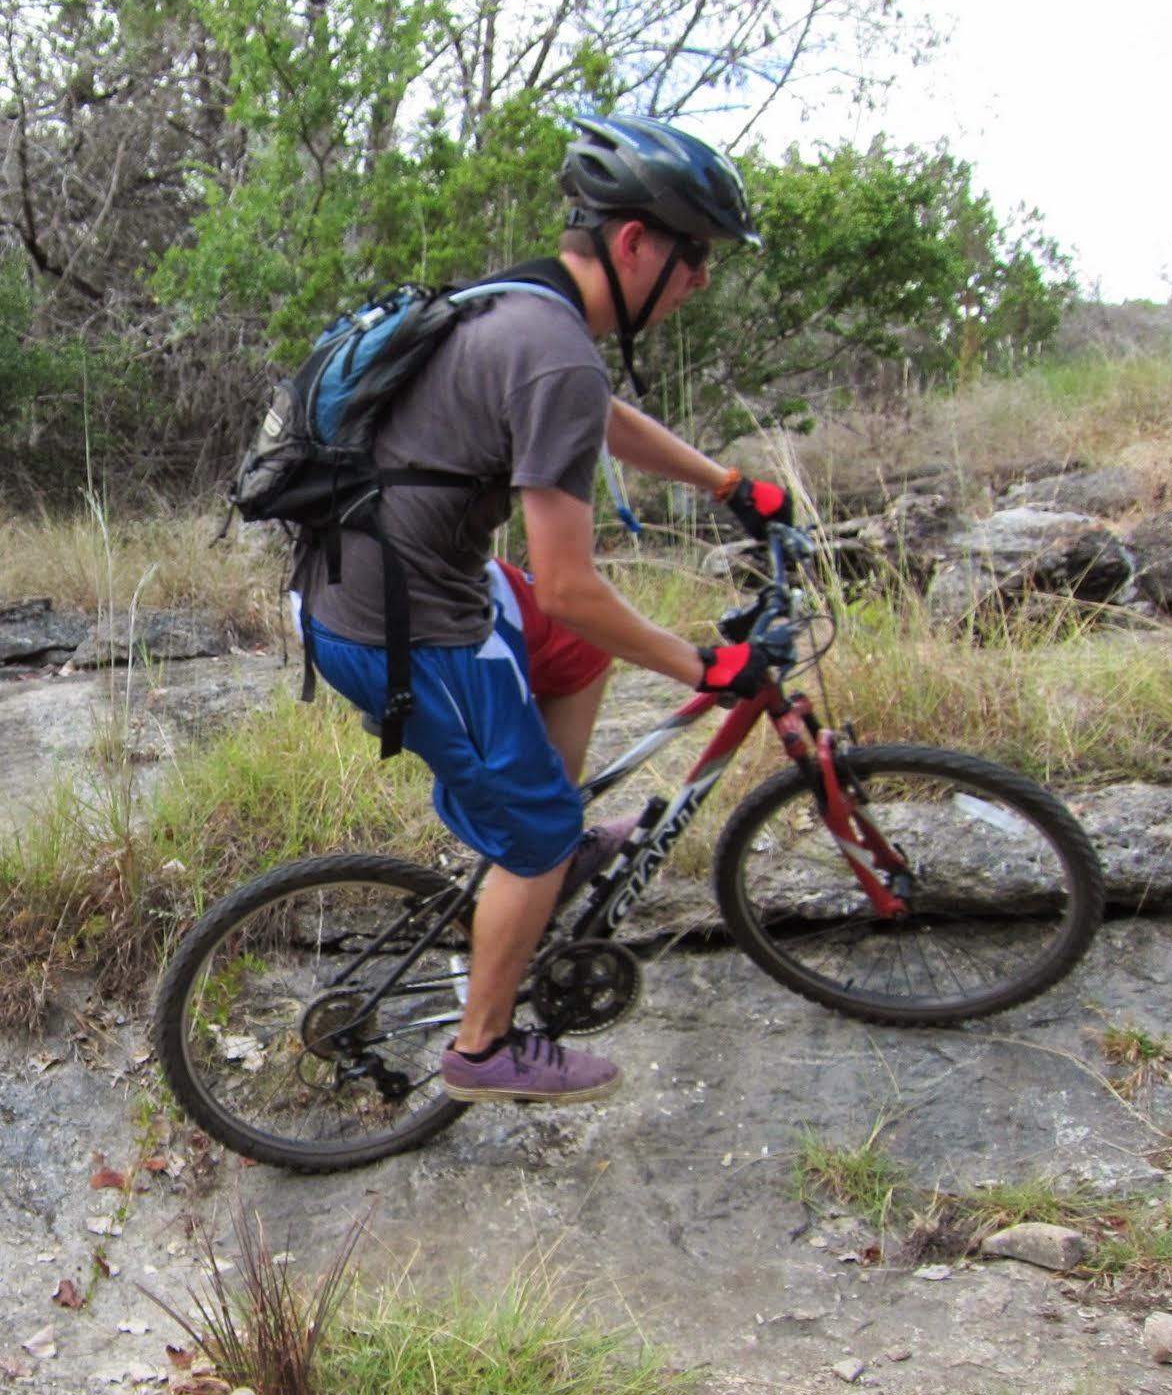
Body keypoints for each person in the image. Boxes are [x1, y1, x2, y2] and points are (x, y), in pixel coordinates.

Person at [293, 113, 796, 1105]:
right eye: (693, 256)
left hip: (381, 580)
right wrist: (706, 669)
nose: (701, 279)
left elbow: (592, 417)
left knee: (569, 651)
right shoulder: (551, 344)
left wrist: (725, 483)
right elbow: (567, 578)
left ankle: (546, 846)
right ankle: (481, 1047)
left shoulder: (520, 308)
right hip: (403, 631)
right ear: (633, 242)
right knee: (527, 817)